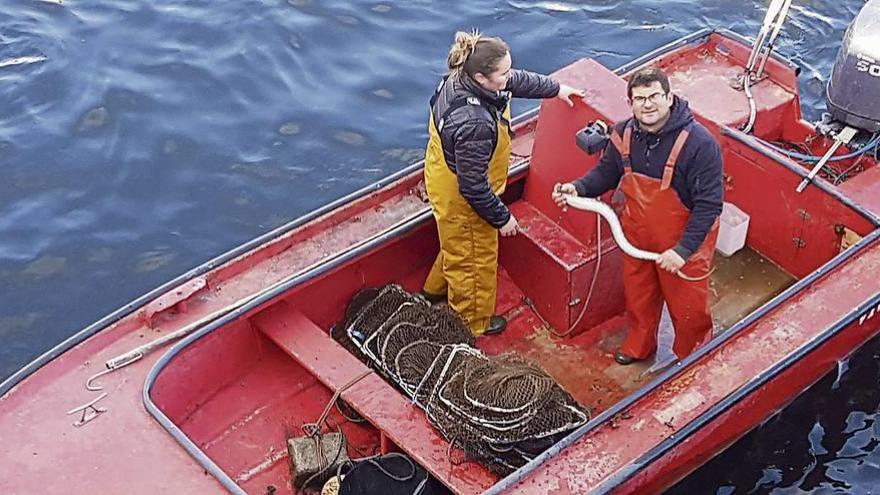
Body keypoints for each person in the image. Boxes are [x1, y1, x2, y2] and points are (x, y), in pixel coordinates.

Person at [552, 67, 723, 364]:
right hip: (637, 238)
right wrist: (577, 188)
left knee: (689, 309)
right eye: (640, 98)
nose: (648, 104)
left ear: (669, 98)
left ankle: (695, 356)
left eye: (655, 96)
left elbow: (709, 205)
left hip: (684, 245)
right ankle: (640, 345)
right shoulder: (622, 133)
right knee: (639, 298)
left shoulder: (700, 144)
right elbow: (606, 173)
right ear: (630, 102)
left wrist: (682, 251)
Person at [422, 30, 584, 337]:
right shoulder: (474, 123)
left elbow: (515, 80)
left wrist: (556, 88)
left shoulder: (462, 76)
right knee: (474, 259)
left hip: (443, 174)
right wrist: (502, 217)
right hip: (465, 196)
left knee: (456, 244)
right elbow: (473, 188)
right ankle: (472, 324)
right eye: (504, 72)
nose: (510, 76)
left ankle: (434, 290)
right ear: (483, 78)